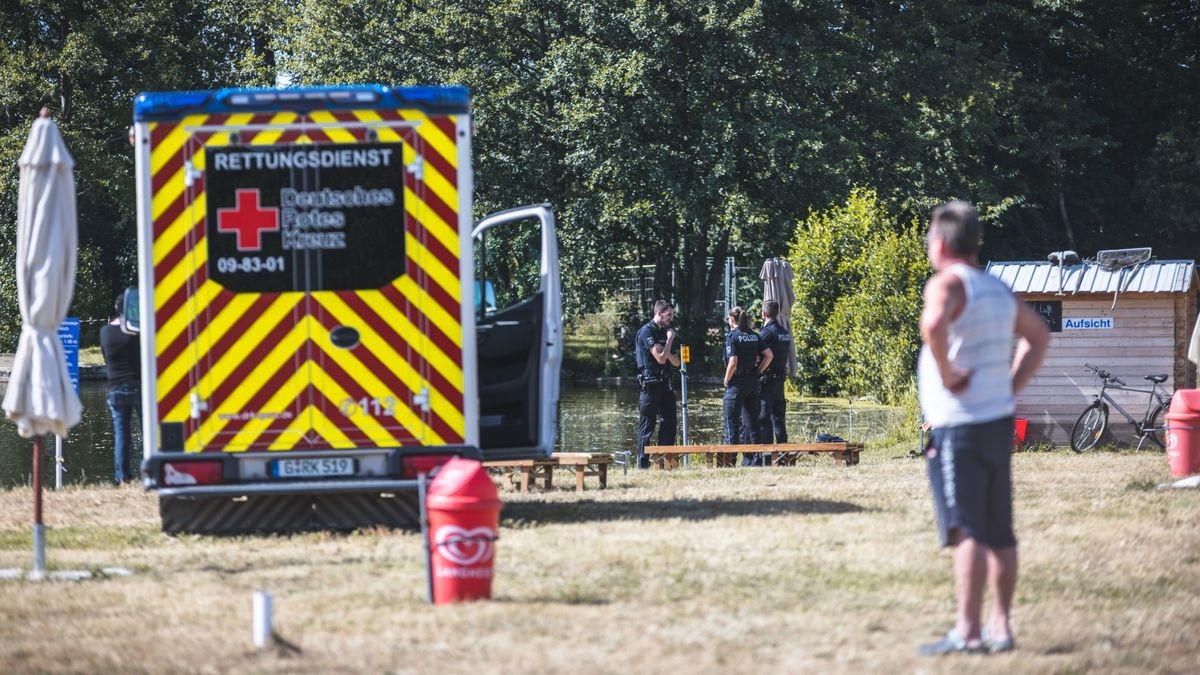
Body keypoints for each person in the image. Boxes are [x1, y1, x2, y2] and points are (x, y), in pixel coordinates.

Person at [916, 201, 1049, 656]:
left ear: (940, 242)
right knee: (1000, 531)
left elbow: (933, 323)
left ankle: (968, 632)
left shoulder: (947, 283)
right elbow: (1038, 336)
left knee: (968, 531)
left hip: (959, 425)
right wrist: (1010, 387)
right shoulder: (997, 288)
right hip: (996, 423)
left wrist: (948, 373)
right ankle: (1001, 627)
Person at [100, 293, 142, 485]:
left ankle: (122, 477)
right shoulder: (135, 332)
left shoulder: (105, 332)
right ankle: (150, 470)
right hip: (137, 386)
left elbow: (105, 358)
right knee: (147, 431)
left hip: (115, 387)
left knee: (121, 435)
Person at [723, 306, 772, 467]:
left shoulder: (733, 336)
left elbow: (733, 362)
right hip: (753, 382)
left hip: (736, 382)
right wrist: (759, 370)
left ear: (731, 319)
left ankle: (730, 461)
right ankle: (756, 460)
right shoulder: (754, 335)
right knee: (753, 422)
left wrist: (726, 379)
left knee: (732, 422)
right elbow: (769, 355)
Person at [634, 300, 680, 469]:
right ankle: (642, 465)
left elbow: (676, 362)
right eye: (669, 315)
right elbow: (660, 358)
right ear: (659, 313)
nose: (671, 318)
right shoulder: (647, 332)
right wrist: (668, 343)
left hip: (665, 384)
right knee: (647, 426)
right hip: (650, 384)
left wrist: (665, 349)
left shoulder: (664, 332)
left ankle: (664, 464)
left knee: (669, 422)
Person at [757, 300, 792, 450]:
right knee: (779, 418)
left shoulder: (766, 333)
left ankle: (767, 454)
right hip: (780, 382)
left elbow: (758, 354)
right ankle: (783, 453)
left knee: (764, 418)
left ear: (763, 314)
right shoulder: (785, 333)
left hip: (767, 381)